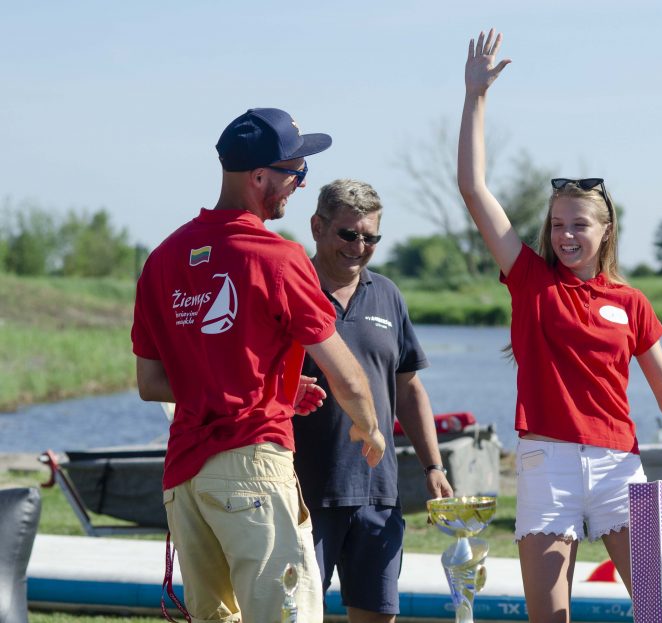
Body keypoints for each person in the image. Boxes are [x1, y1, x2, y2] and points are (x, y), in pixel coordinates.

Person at [456, 30, 662, 622]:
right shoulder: (528, 278)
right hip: (545, 461)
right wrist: (476, 97)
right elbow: (473, 189)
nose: (565, 236)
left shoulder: (630, 301)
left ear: (605, 231)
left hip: (617, 464)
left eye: (579, 225)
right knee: (550, 616)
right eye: (556, 225)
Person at [131, 108, 386, 623]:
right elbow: (346, 373)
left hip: (185, 480)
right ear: (260, 177)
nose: (299, 184)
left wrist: (264, 390)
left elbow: (152, 382)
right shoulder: (278, 257)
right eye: (296, 172)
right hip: (251, 469)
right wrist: (371, 428)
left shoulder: (163, 258)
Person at [293, 179, 454, 623]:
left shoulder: (387, 294)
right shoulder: (289, 287)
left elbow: (408, 389)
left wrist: (433, 466)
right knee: (294, 615)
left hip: (377, 493)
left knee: (378, 616)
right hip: (301, 492)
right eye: (348, 234)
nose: (359, 246)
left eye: (370, 237)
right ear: (317, 227)